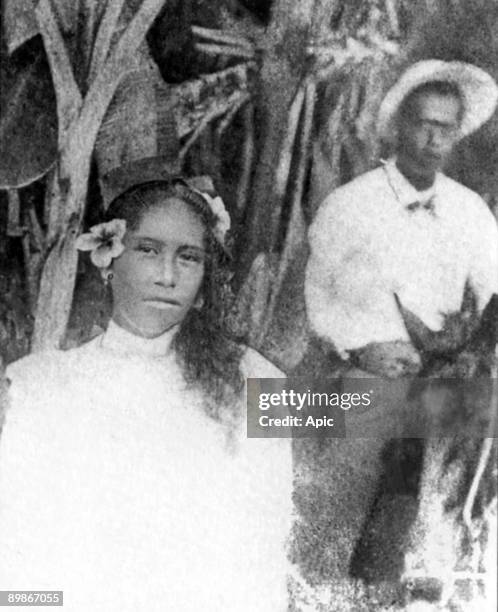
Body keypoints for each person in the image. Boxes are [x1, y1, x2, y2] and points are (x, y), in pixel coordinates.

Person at [0, 162, 293, 611]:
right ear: (107, 261)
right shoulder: (37, 386)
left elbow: (263, 559)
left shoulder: (257, 383)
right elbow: (18, 574)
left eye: (188, 257)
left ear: (203, 283)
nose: (167, 276)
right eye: (148, 251)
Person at [305, 60, 498, 372]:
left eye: (446, 128)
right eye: (425, 125)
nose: (435, 141)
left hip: (442, 380)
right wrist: (359, 349)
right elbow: (315, 302)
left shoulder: (471, 212)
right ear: (400, 124)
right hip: (363, 375)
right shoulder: (348, 205)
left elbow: (492, 292)